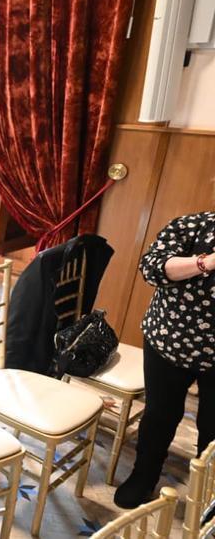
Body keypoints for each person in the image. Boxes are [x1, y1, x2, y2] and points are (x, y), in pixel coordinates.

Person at [114, 202, 215, 509]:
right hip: (170, 341)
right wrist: (207, 262)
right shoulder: (192, 225)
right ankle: (144, 476)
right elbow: (152, 268)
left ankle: (206, 494)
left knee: (213, 428)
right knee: (160, 415)